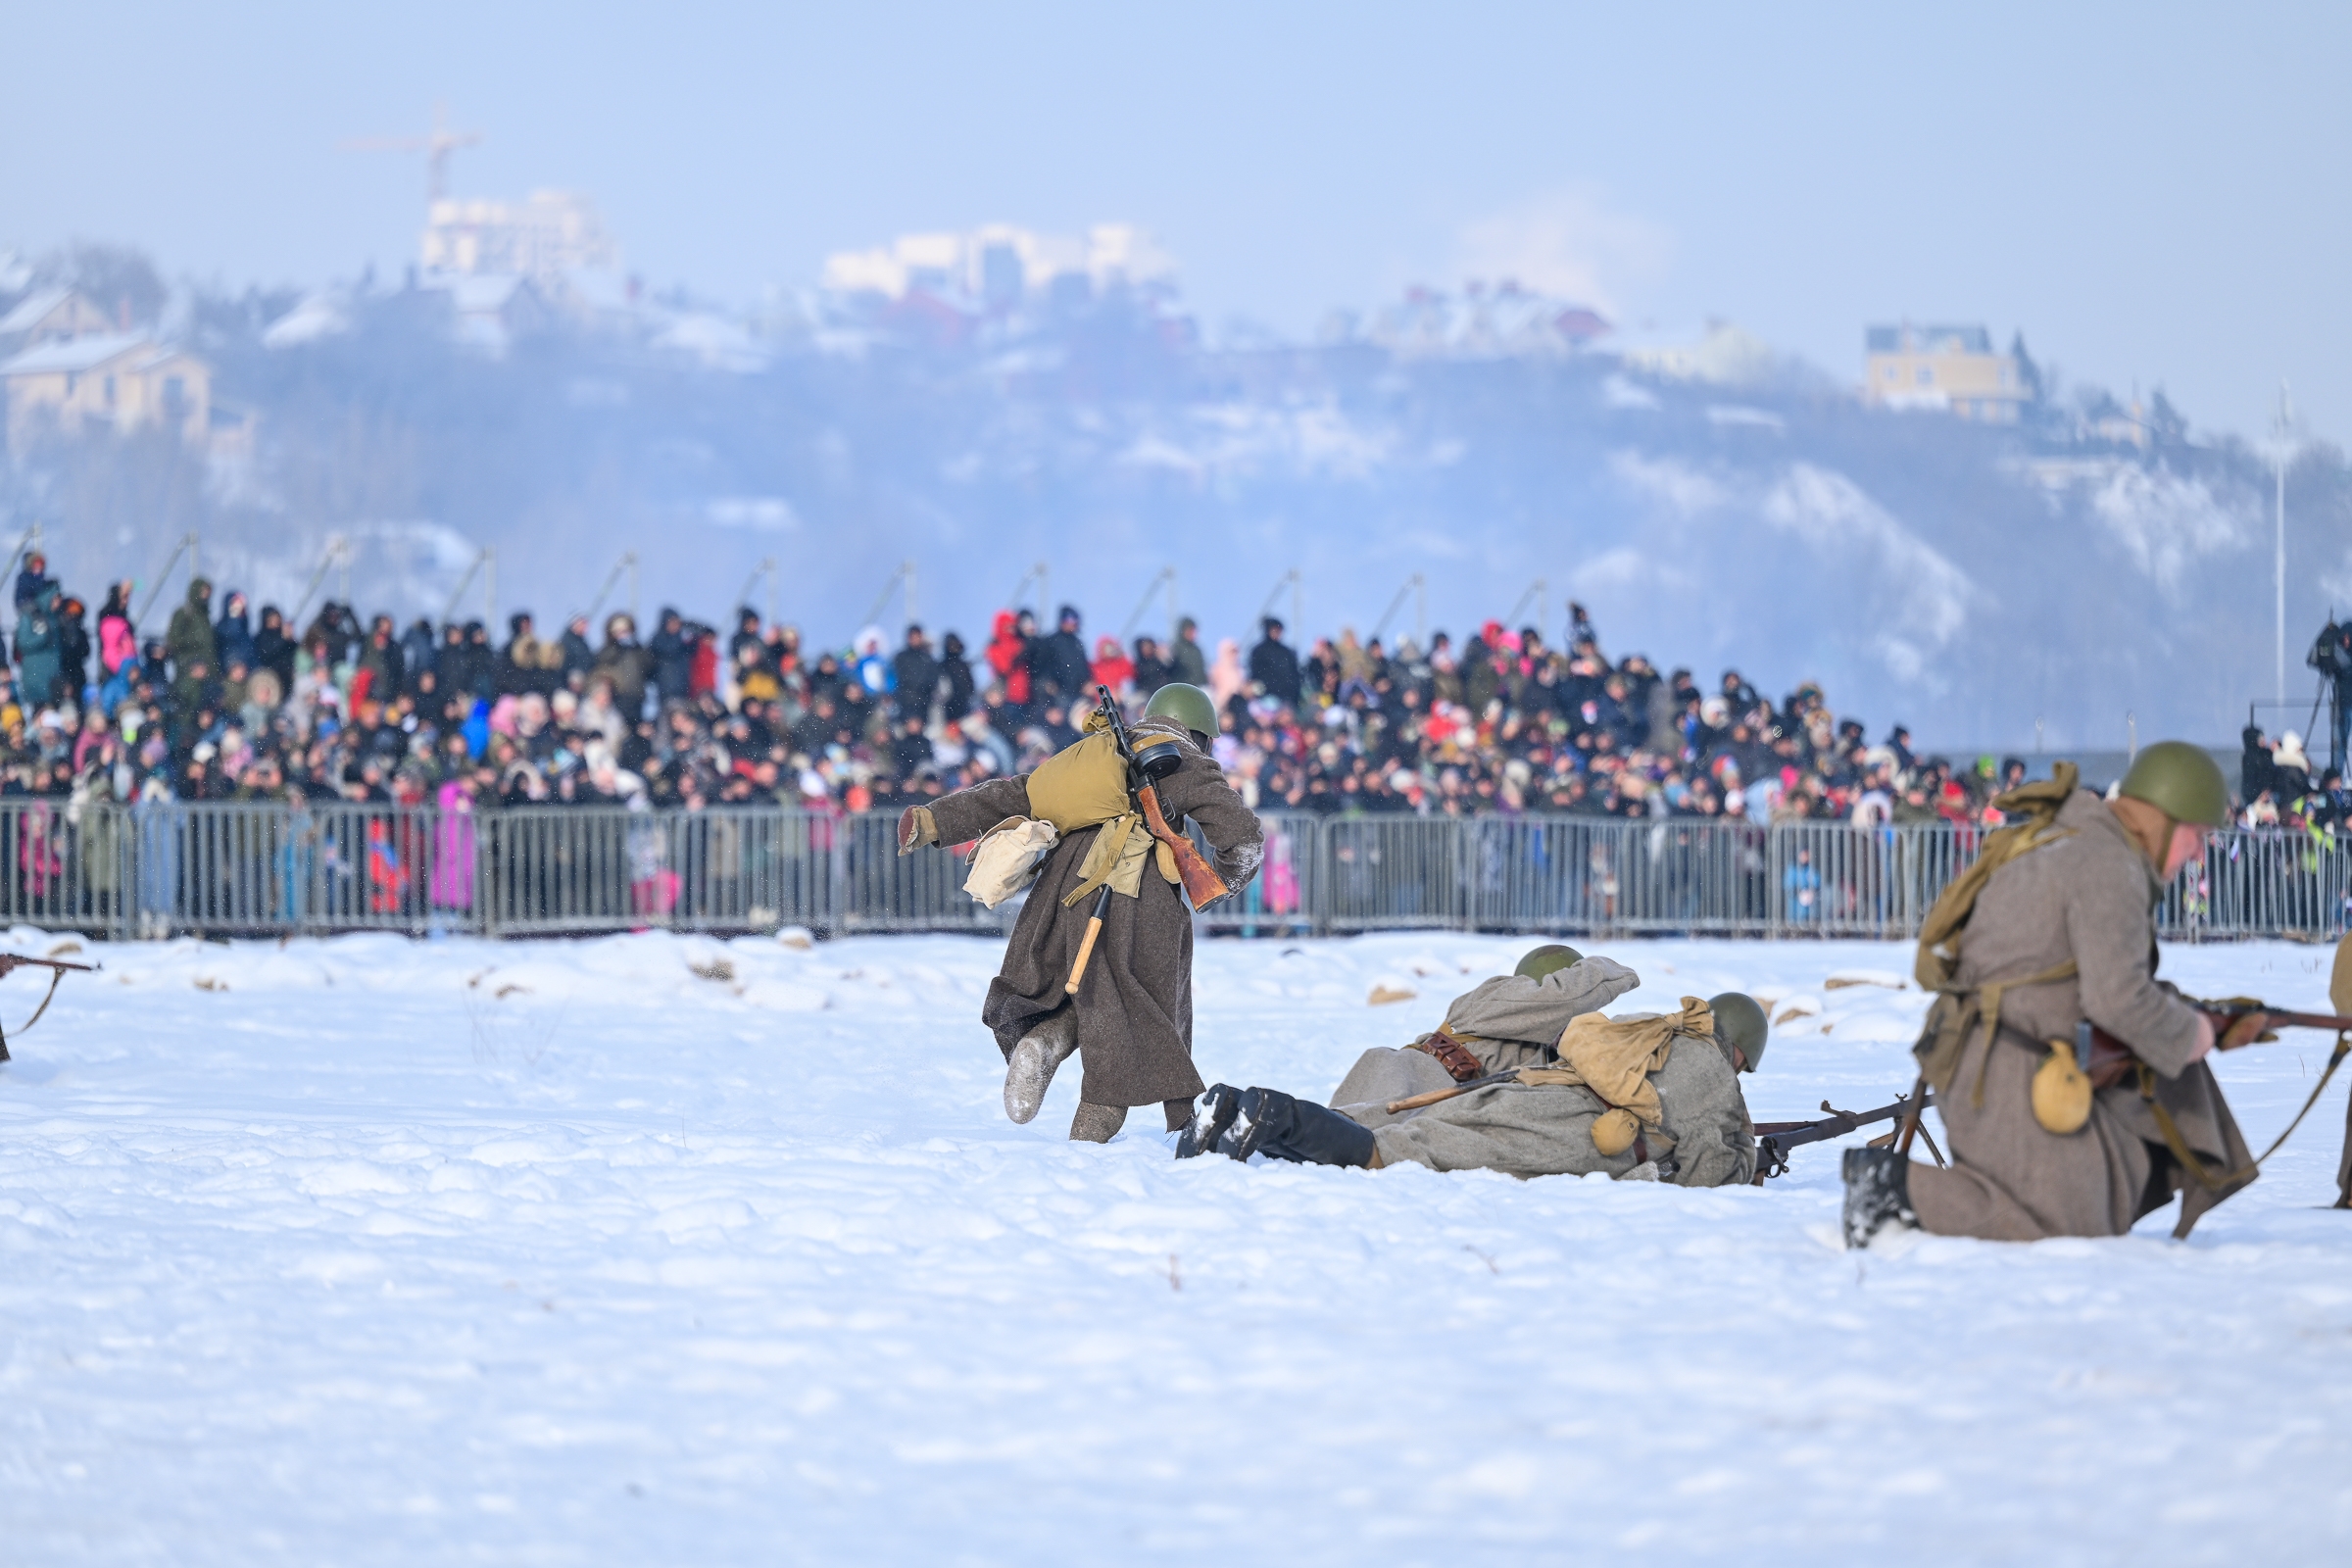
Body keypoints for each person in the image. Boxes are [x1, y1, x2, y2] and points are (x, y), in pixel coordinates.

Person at [1844, 744, 2262, 1247]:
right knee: (2059, 1231)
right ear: (2162, 819)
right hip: (2001, 1066)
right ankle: (1892, 1186)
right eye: (2198, 835)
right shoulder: (2109, 864)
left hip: (1997, 1055)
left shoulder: (2081, 843)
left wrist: (2196, 1017)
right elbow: (2118, 998)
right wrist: (2192, 1032)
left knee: (2097, 1210)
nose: (2199, 853)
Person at [897, 681, 1262, 1142]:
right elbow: (1243, 837)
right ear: (1201, 733)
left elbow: (1017, 794)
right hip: (1133, 900)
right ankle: (1095, 1149)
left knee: (1095, 995)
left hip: (1060, 894)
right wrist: (1219, 883)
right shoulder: (1186, 759)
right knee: (1136, 1014)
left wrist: (933, 821)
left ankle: (1045, 1041)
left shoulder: (1099, 752)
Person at [1175, 958, 1768, 1189]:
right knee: (1384, 1150)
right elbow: (1705, 1166)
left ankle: (1236, 1109)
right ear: (1739, 1051)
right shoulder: (1506, 1001)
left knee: (1362, 1141)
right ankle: (1264, 1113)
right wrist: (1614, 974)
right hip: (1421, 1078)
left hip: (1451, 1088)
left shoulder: (1641, 1036)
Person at [1249, 616, 1303, 710]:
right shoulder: (1259, 651)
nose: (1277, 633)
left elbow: (1294, 674)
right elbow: (1255, 674)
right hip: (1266, 697)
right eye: (1274, 630)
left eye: (1279, 630)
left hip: (1288, 699)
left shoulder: (1287, 652)